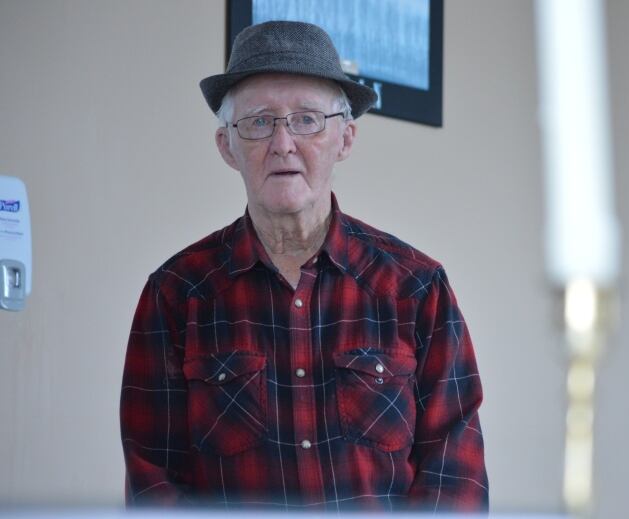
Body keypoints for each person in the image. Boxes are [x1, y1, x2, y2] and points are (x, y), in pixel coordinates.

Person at [120, 20, 487, 512]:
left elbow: (454, 480)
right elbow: (154, 483)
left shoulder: (416, 287)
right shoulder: (176, 294)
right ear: (227, 146)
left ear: (345, 139)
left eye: (307, 119)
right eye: (258, 121)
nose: (283, 142)